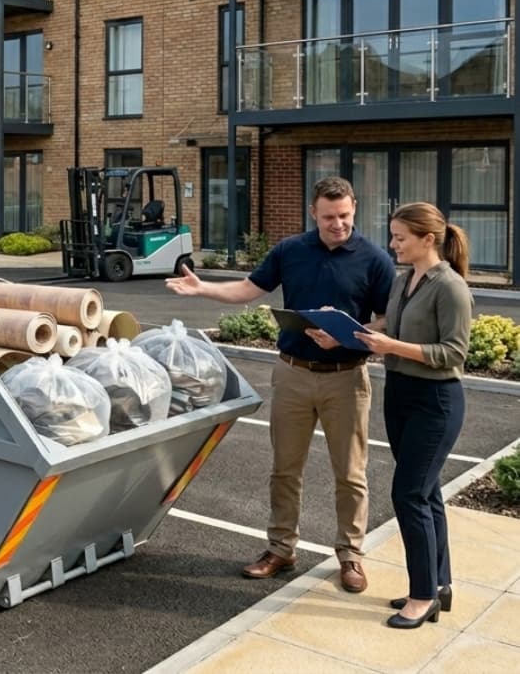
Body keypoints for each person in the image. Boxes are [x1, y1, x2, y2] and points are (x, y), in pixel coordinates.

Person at [166, 176, 394, 593]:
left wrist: (350, 331)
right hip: (292, 373)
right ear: (313, 213)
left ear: (355, 208)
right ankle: (281, 548)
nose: (337, 224)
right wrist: (203, 289)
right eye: (328, 217)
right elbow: (248, 290)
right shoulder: (290, 251)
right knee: (285, 470)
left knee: (350, 474)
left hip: (346, 379)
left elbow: (386, 319)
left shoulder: (374, 259)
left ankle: (351, 555)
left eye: (344, 216)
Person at [352, 202, 472, 629]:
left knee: (409, 494)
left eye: (400, 237)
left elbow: (454, 353)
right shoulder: (406, 280)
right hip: (400, 393)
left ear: (427, 239)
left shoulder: (450, 286)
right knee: (426, 492)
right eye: (392, 235)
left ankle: (422, 596)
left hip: (435, 401)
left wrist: (392, 348)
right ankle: (438, 585)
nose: (392, 244)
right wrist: (352, 336)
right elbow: (393, 331)